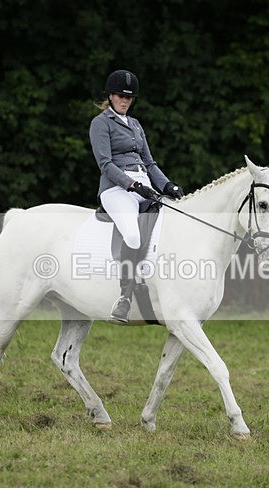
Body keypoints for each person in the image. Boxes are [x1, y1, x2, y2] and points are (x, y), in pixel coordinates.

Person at [89, 69, 184, 323]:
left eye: (129, 98)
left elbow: (150, 163)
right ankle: (124, 297)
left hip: (145, 186)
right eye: (120, 96)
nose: (124, 101)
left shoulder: (135, 124)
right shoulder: (101, 124)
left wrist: (168, 186)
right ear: (110, 96)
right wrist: (132, 185)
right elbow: (105, 164)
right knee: (132, 234)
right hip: (116, 189)